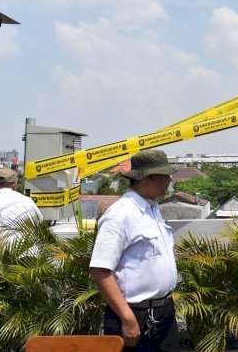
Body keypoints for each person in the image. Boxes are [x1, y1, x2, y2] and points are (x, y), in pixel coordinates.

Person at [89, 149, 179, 351]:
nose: (169, 181)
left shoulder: (152, 209)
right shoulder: (121, 214)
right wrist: (127, 318)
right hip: (134, 315)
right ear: (148, 178)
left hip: (163, 314)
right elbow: (99, 269)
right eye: (165, 176)